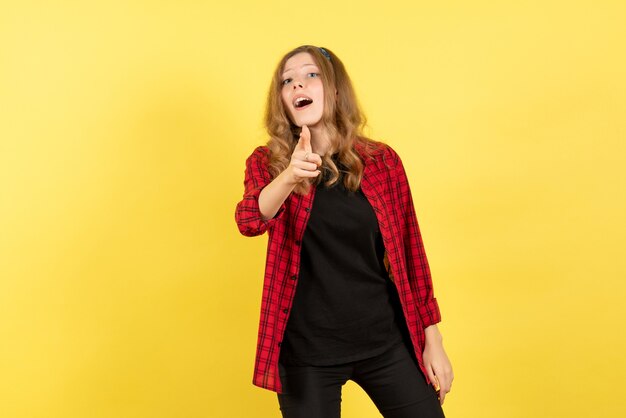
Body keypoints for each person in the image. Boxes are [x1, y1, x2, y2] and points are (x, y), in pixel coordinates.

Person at [235, 45, 453, 418]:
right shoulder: (268, 163)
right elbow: (250, 221)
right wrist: (291, 175)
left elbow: (410, 249)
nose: (297, 84)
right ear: (284, 101)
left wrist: (433, 337)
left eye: (310, 75)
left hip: (385, 339)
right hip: (307, 354)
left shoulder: (382, 161)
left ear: (335, 90)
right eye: (287, 81)